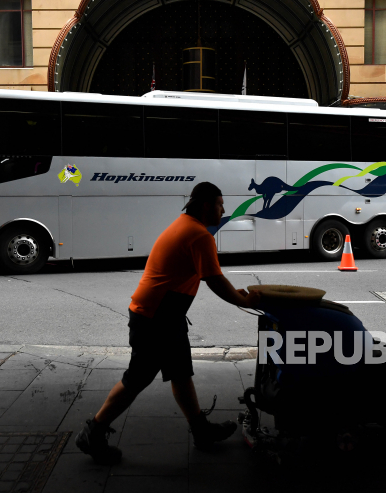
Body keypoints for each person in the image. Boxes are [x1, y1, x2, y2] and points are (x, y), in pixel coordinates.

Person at [75, 182, 260, 465]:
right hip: (155, 317)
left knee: (180, 372)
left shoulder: (185, 224)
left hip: (163, 314)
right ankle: (94, 432)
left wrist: (238, 297)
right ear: (207, 205)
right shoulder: (199, 235)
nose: (224, 210)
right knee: (137, 378)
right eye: (221, 204)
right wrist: (243, 301)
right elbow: (214, 280)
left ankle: (201, 431)